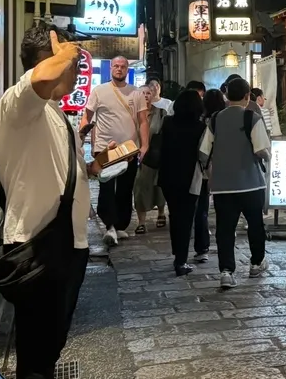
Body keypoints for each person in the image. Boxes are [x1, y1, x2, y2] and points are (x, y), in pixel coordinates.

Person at [0, 24, 95, 379]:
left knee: (47, 348)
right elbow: (42, 77)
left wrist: (91, 169)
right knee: (36, 351)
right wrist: (65, 52)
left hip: (63, 244)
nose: (75, 74)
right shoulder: (20, 102)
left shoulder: (52, 112)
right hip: (38, 246)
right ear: (50, 57)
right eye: (73, 64)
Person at [201, 77, 271, 288]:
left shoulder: (215, 119)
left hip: (222, 186)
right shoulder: (252, 117)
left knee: (225, 228)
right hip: (251, 183)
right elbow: (261, 150)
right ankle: (256, 263)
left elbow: (204, 152)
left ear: (226, 96)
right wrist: (267, 156)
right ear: (247, 96)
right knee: (255, 225)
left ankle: (226, 271)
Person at [80, 56, 149, 246]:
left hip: (129, 149)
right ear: (111, 68)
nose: (119, 69)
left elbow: (143, 121)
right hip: (105, 149)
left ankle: (120, 225)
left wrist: (144, 145)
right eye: (116, 66)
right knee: (107, 186)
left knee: (126, 188)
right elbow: (87, 118)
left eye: (123, 66)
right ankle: (109, 225)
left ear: (128, 69)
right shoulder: (99, 91)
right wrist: (81, 138)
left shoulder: (136, 93)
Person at [158, 90, 208, 276]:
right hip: (190, 178)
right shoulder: (200, 127)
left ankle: (177, 253)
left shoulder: (168, 123)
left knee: (175, 216)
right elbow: (203, 156)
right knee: (186, 219)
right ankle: (180, 261)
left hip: (168, 176)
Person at [194, 89, 228, 263]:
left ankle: (203, 248)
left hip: (203, 170)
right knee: (226, 209)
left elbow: (202, 151)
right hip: (225, 170)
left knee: (202, 211)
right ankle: (227, 241)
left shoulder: (200, 122)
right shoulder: (226, 120)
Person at [133, 84, 167, 234]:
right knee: (140, 188)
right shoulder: (132, 114)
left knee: (158, 186)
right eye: (142, 93)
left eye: (148, 93)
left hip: (156, 156)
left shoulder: (161, 113)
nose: (146, 96)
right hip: (136, 156)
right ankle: (142, 221)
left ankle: (161, 212)